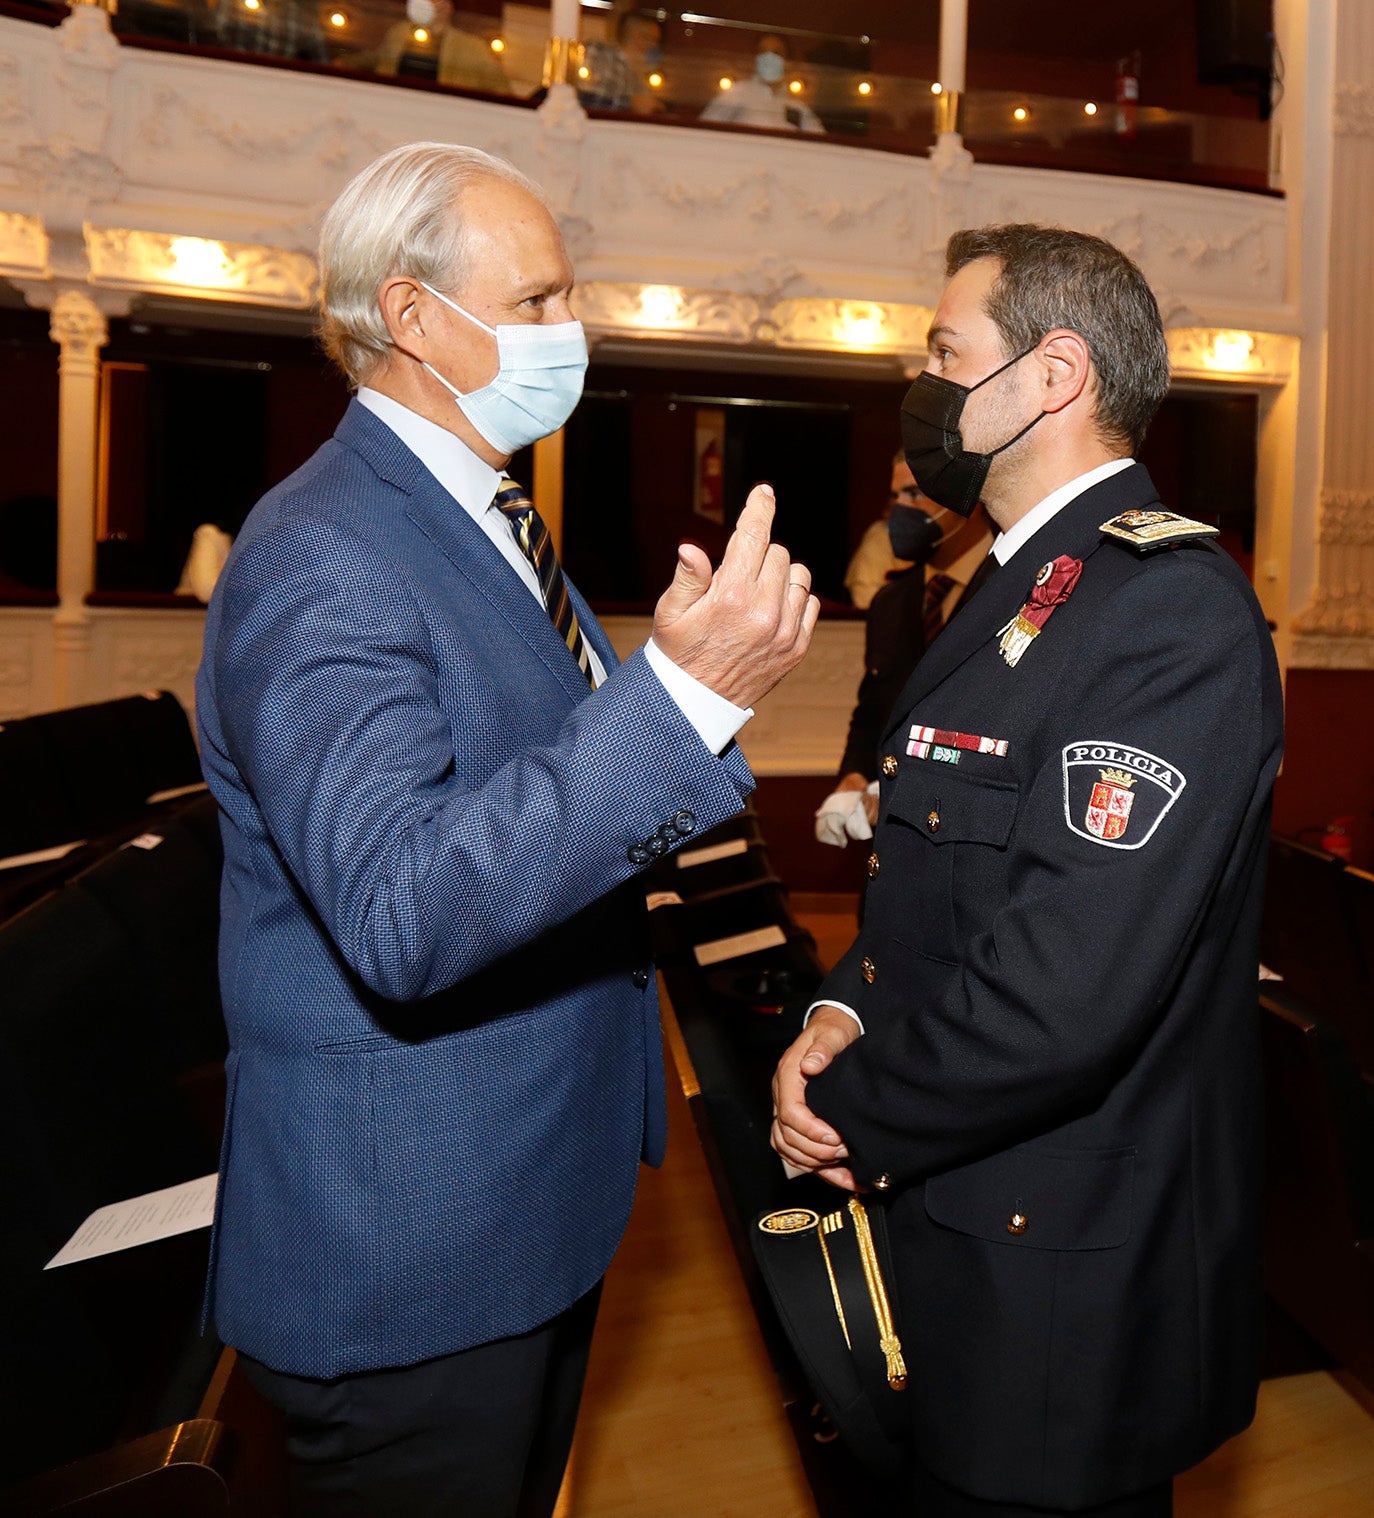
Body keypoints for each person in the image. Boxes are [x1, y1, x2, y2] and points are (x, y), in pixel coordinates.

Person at [195, 141, 817, 1516]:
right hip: (411, 1240)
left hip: (522, 1189)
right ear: (413, 318)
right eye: (535, 301)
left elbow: (550, 791)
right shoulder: (324, 554)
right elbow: (405, 907)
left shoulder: (485, 517)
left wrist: (676, 695)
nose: (567, 332)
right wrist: (679, 695)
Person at [772, 224, 1283, 1517]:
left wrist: (851, 1107)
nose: (922, 384)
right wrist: (842, 1009)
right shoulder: (1010, 589)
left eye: (947, 352)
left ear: (1052, 376)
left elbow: (1063, 988)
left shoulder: (1164, 608)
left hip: (1057, 1272)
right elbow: (941, 886)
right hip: (958, 1216)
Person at [700, 32, 824, 134]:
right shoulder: (739, 93)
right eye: (763, 52)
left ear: (787, 61)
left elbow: (821, 142)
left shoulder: (797, 107)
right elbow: (705, 128)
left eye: (776, 53)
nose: (769, 57)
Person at [374, 0, 511, 93]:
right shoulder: (399, 34)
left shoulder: (473, 48)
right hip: (395, 110)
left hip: (448, 121)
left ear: (447, 6)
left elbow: (502, 91)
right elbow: (375, 64)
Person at [579, 7, 663, 113]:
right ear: (639, 37)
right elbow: (582, 99)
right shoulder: (597, 52)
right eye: (653, 40)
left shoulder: (637, 77)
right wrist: (630, 104)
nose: (655, 46)